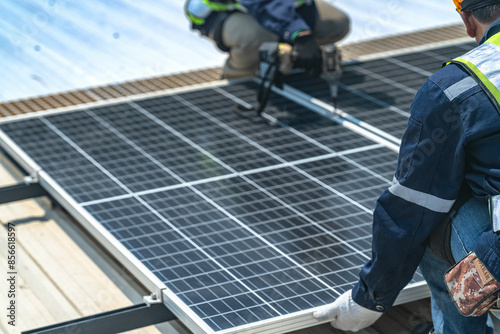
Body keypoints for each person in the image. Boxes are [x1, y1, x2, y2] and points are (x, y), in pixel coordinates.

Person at [313, 0, 500, 333]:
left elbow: (412, 208)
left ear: (468, 20)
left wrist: (369, 298)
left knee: (434, 215)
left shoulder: (455, 88)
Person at [184, 0, 350, 79]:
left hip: (277, 5)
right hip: (220, 13)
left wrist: (305, 36)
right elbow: (263, 4)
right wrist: (300, 35)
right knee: (256, 37)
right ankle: (241, 76)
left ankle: (290, 58)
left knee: (336, 22)